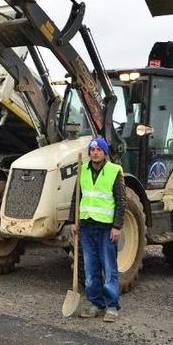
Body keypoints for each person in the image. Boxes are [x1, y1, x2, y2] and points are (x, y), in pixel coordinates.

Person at [68, 137, 126, 322]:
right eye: (92, 149)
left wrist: (117, 226)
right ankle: (95, 303)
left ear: (104, 152)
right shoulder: (82, 171)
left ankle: (111, 306)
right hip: (86, 228)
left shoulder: (114, 171)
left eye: (98, 149)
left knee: (109, 269)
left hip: (106, 229)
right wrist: (73, 221)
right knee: (91, 269)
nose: (95, 152)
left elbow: (121, 201)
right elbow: (76, 198)